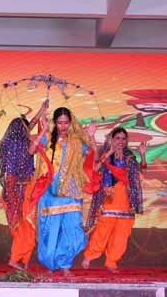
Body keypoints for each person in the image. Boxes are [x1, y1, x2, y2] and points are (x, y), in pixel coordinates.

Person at [26, 107, 98, 276]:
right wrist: (43, 131)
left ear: (70, 123)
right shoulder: (48, 137)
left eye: (66, 123)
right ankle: (51, 264)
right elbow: (30, 151)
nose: (63, 126)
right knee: (50, 230)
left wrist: (92, 137)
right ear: (55, 123)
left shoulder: (76, 141)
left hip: (71, 190)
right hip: (50, 191)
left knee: (73, 230)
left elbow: (94, 157)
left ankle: (65, 264)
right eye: (59, 123)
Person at [81, 129, 146, 273]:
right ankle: (89, 256)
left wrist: (142, 155)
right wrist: (110, 152)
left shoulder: (129, 157)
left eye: (123, 138)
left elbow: (140, 174)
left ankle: (112, 261)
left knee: (121, 234)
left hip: (125, 199)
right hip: (109, 197)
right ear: (111, 139)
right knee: (102, 230)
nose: (120, 141)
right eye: (117, 138)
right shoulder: (106, 155)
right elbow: (95, 169)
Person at [0, 101, 49, 270]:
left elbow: (30, 125)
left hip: (14, 190)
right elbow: (32, 149)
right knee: (26, 226)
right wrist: (44, 130)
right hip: (21, 191)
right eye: (27, 129)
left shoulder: (9, 142)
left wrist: (41, 110)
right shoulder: (20, 144)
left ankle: (25, 260)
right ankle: (15, 259)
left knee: (26, 226)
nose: (30, 130)